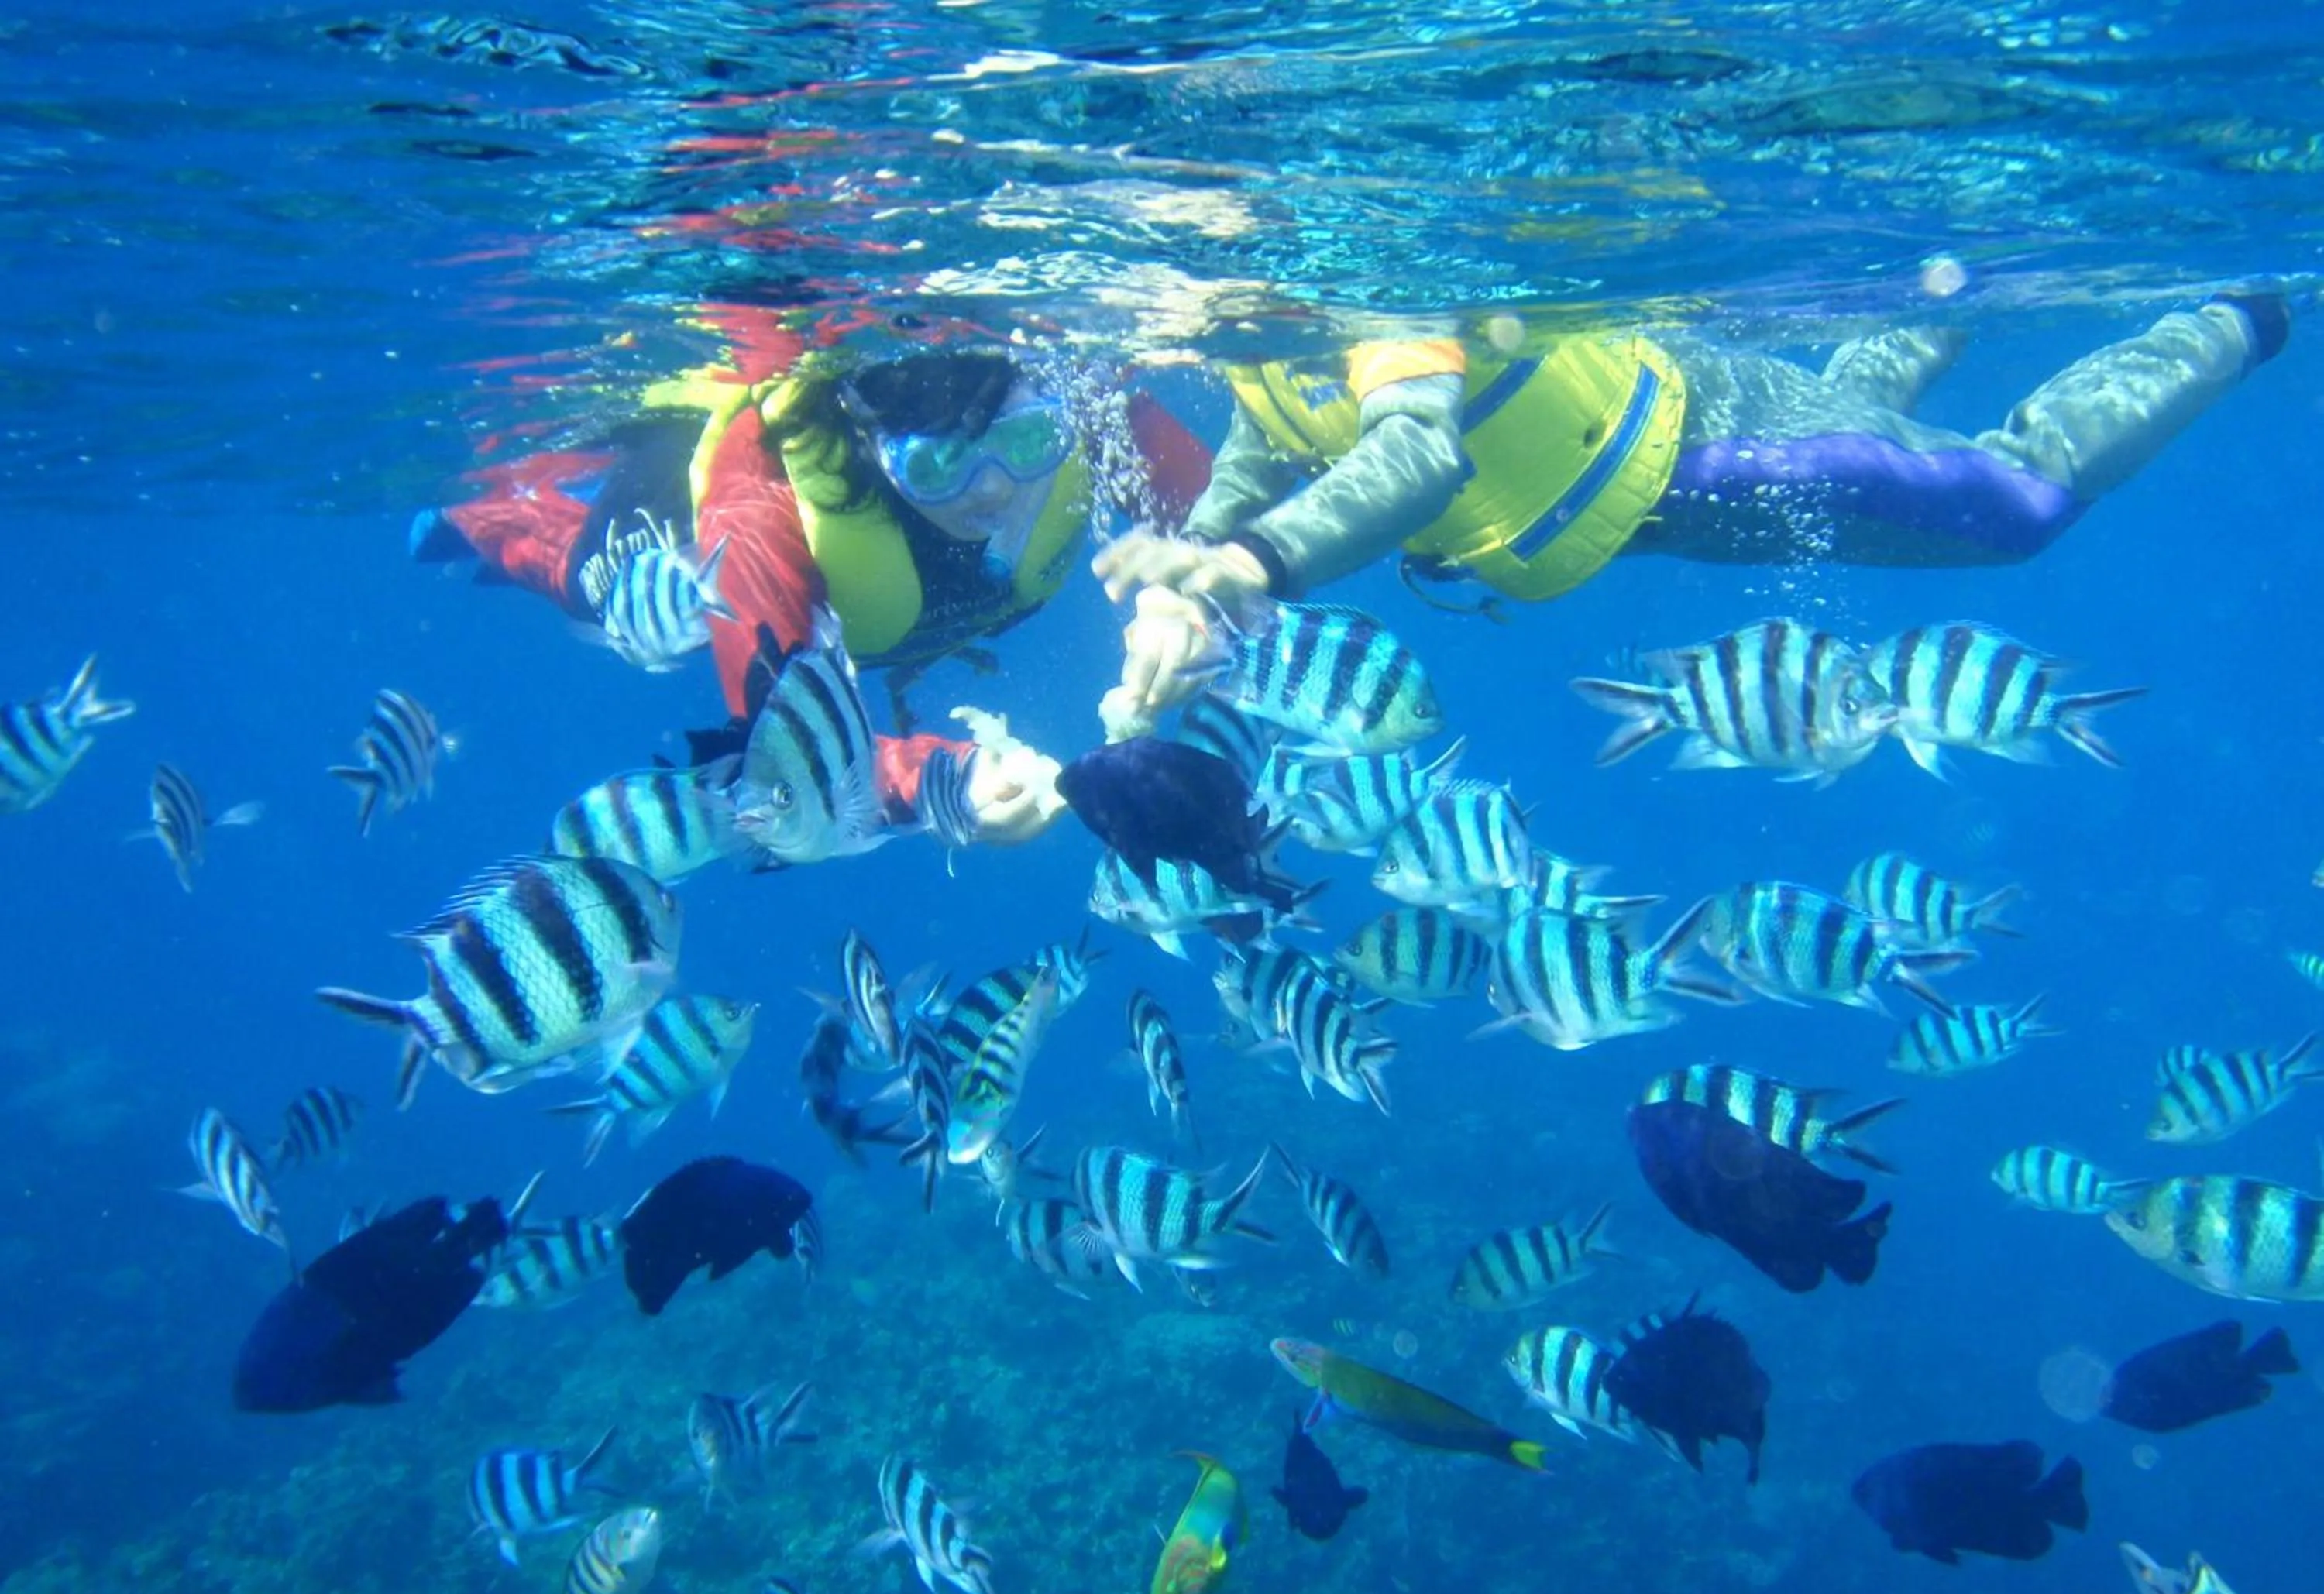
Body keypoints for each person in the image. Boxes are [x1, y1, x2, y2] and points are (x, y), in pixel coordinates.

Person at [1092, 294, 2291, 737]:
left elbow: (1411, 453)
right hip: (1649, 502)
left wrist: (1249, 562)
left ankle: (2237, 316)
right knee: (1856, 429)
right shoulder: (1250, 330)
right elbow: (1263, 449)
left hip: (1708, 451)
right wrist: (1184, 583)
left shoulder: (1363, 288)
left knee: (2019, 504)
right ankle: (1937, 292)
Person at [414, 309, 1211, 840]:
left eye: (1029, 442)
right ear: (870, 441)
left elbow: (1219, 518)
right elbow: (776, 747)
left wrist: (1188, 594)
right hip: (679, 513)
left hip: (900, 611)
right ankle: (476, 517)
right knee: (592, 579)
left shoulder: (1082, 401)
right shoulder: (764, 511)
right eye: (938, 465)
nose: (995, 487)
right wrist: (947, 784)